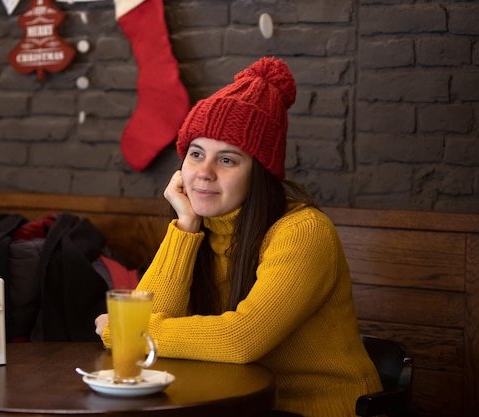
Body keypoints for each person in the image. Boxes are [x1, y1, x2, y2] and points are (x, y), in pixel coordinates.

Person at [95, 56, 382, 417]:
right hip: (232, 405)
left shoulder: (302, 231)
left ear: (258, 173)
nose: (204, 173)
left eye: (227, 160)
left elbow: (240, 339)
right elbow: (150, 312)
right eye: (196, 154)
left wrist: (127, 334)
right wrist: (184, 227)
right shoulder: (200, 227)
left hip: (319, 409)